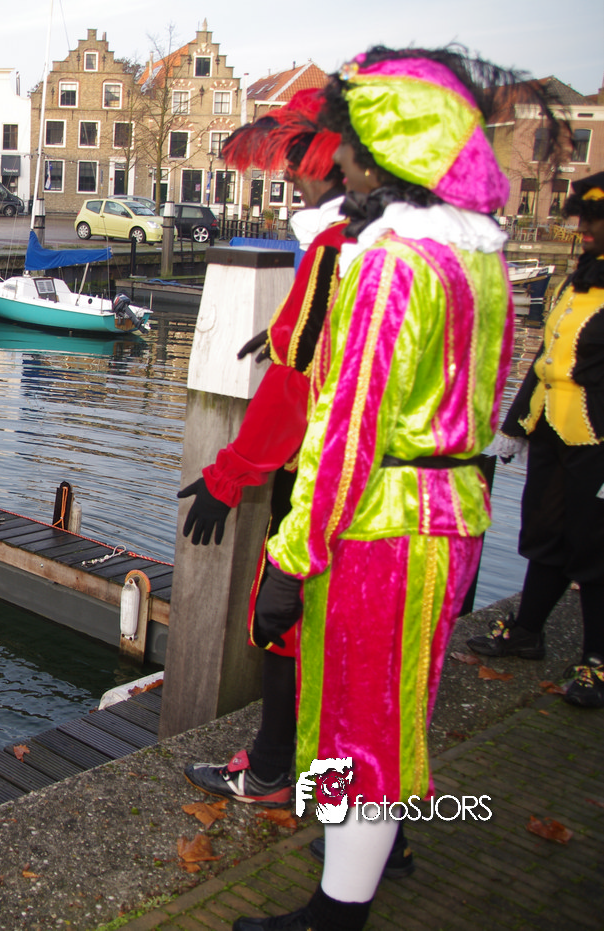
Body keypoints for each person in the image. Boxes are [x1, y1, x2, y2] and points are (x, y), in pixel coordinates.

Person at [233, 47, 566, 931]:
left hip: (382, 526)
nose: (339, 162)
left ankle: (336, 914)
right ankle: (363, 864)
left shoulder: (391, 266)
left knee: (355, 719)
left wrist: (289, 555)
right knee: (391, 707)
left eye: (351, 147)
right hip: (450, 517)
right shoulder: (478, 261)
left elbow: (347, 428)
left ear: (388, 154)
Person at [180, 88, 350, 808]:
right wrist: (285, 329)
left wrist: (227, 477)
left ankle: (275, 773)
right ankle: (356, 807)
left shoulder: (337, 249)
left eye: (296, 167)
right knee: (361, 652)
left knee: (281, 623)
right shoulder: (436, 254)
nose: (290, 181)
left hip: (328, 480)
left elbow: (295, 389)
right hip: (418, 500)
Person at [467, 171, 604, 708]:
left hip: (596, 437)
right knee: (545, 532)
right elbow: (546, 358)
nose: (583, 228)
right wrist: (515, 423)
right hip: (550, 427)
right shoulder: (574, 282)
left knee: (593, 547)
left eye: (594, 221)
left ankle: (597, 659)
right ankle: (528, 631)